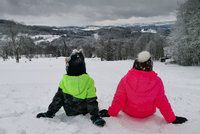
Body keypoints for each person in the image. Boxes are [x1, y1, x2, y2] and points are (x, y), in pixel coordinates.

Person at [99, 51, 187, 124]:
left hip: (129, 112)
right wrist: (172, 118)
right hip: (147, 113)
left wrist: (111, 113)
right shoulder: (157, 81)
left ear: (135, 64)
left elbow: (119, 99)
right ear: (150, 65)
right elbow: (162, 101)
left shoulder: (126, 79)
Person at [36, 49, 106, 127]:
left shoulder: (64, 81)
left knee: (61, 94)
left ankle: (51, 113)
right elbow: (91, 101)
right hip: (84, 110)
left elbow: (57, 99)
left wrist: (50, 112)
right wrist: (95, 117)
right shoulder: (89, 81)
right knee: (91, 92)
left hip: (70, 111)